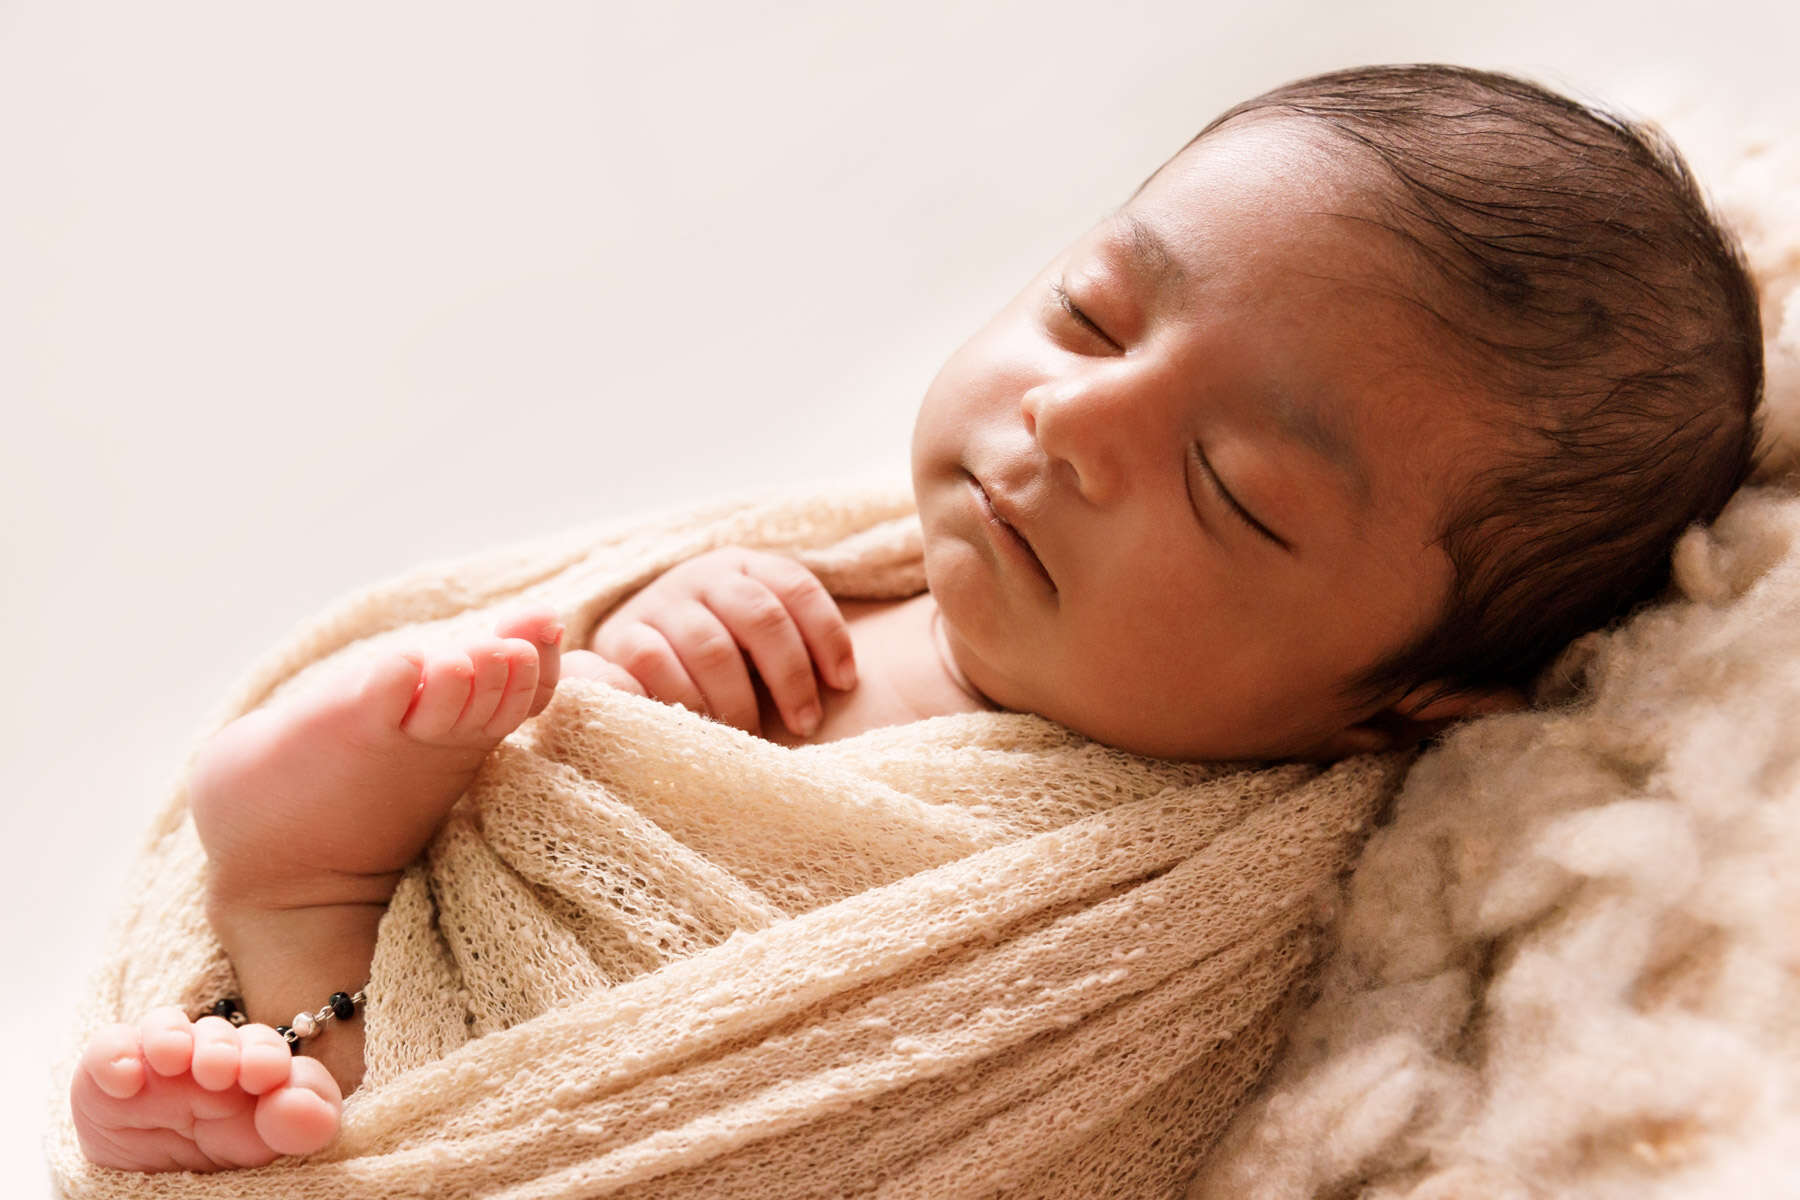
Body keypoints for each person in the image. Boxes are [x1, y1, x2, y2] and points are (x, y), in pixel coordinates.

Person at [67, 62, 1762, 1172]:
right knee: (446, 723)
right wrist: (630, 655)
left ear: (1415, 701)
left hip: (629, 1132)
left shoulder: (1180, 914)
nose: (1069, 428)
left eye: (1234, 489)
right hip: (427, 954)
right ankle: (292, 921)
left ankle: (285, 1015)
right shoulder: (858, 559)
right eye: (1092, 319)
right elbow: (543, 708)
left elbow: (969, 1124)